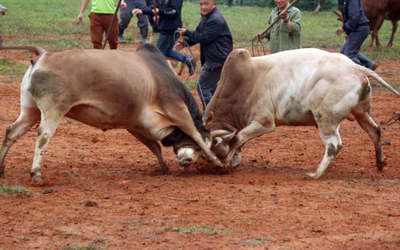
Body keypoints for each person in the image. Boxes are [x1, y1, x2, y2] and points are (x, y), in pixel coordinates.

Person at [176, 0, 233, 111]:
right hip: (215, 58)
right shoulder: (206, 16)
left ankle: (209, 116)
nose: (203, 7)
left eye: (206, 4)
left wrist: (187, 32)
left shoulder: (215, 19)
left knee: (203, 87)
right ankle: (220, 112)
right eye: (201, 4)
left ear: (214, 4)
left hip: (218, 59)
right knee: (211, 87)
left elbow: (205, 38)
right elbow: (199, 33)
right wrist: (186, 42)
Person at [135, 0, 196, 75]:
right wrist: (159, 17)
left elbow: (174, 11)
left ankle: (163, 77)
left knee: (157, 55)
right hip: (168, 28)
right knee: (166, 51)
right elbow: (163, 8)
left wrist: (160, 12)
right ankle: (186, 59)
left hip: (169, 30)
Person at [335, 0, 377, 70]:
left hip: (360, 28)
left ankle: (363, 72)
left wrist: (344, 28)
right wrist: (348, 32)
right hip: (355, 29)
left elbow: (354, 16)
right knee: (343, 53)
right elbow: (346, 17)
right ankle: (368, 64)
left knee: (349, 55)